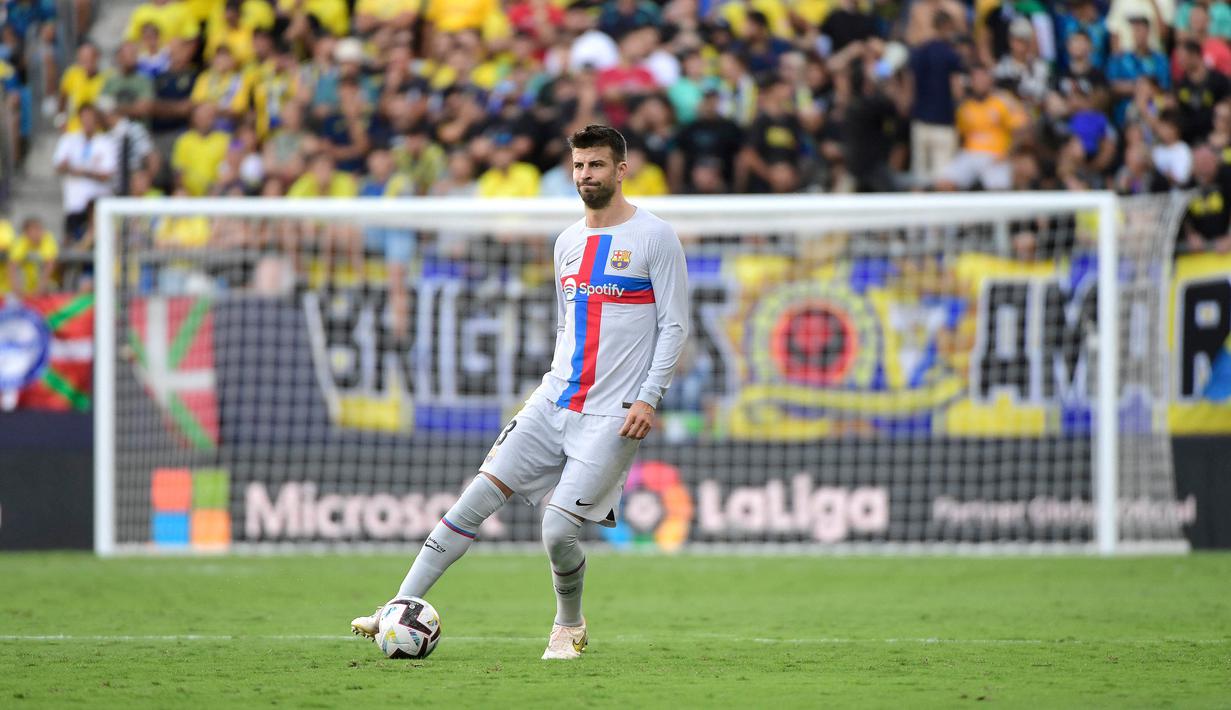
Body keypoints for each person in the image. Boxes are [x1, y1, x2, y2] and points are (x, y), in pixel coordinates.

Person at [350, 124, 690, 660]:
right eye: (578, 166)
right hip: (553, 400)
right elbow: (566, 324)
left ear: (621, 170)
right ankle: (398, 603)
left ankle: (568, 624)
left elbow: (674, 325)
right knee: (475, 497)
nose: (586, 175)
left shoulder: (655, 237)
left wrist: (650, 397)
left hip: (613, 415)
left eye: (597, 165)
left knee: (557, 530)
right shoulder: (567, 243)